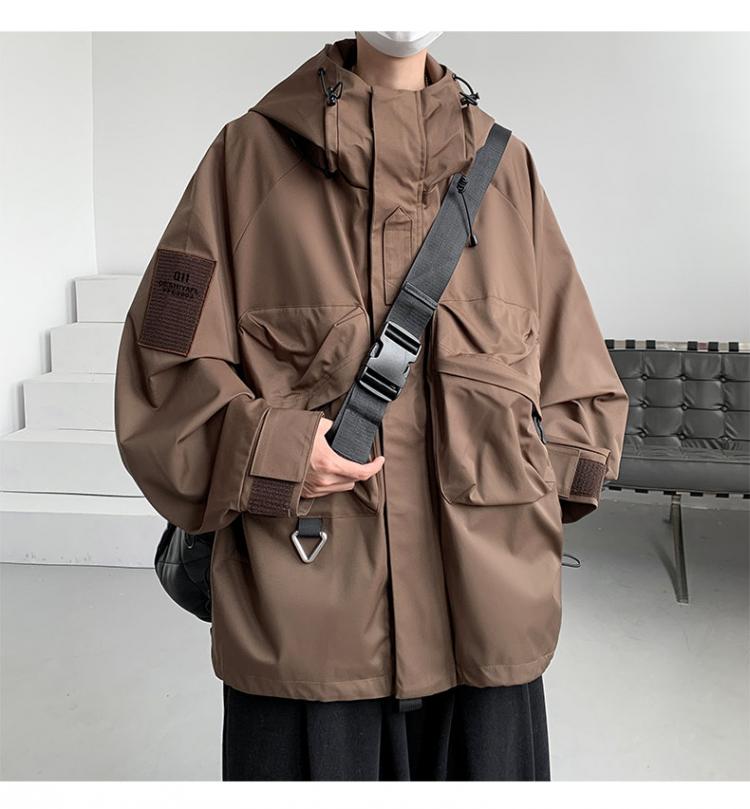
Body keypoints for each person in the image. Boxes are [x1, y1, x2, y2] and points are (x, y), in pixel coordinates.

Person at [114, 32, 630, 781]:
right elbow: (159, 374)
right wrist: (274, 452)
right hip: (307, 641)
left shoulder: (506, 170)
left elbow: (583, 388)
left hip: (487, 634)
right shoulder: (243, 161)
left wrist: (522, 501)